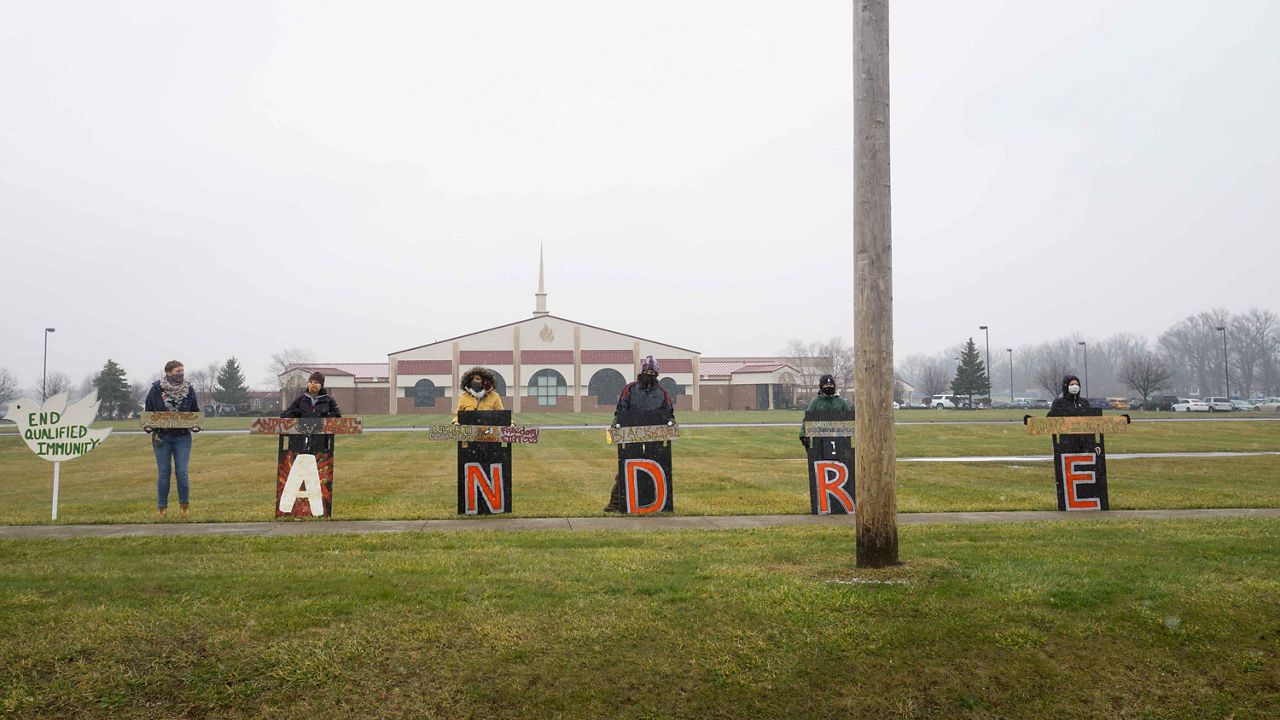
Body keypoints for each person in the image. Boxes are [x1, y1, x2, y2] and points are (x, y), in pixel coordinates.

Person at [603, 355, 675, 513]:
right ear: (642, 371)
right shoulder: (630, 389)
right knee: (625, 468)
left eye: (652, 371)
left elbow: (668, 412)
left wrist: (670, 425)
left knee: (656, 466)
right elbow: (621, 409)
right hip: (631, 435)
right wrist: (616, 425)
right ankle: (615, 503)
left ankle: (652, 500)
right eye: (647, 371)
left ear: (656, 373)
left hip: (654, 437)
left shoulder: (662, 392)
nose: (649, 374)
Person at [144, 360, 201, 519]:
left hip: (182, 436)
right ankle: (162, 508)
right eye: (177, 371)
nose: (180, 374)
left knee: (182, 472)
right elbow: (148, 411)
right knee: (164, 472)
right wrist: (148, 426)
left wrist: (195, 425)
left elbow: (194, 411)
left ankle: (184, 506)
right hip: (162, 436)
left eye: (182, 371)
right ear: (168, 373)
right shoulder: (156, 389)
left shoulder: (189, 389)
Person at [282, 371, 342, 453]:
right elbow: (285, 415)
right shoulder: (301, 399)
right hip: (300, 439)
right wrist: (296, 413)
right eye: (311, 382)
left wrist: (327, 417)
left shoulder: (328, 400)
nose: (313, 384)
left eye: (316, 383)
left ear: (321, 385)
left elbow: (338, 417)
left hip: (321, 440)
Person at [799, 374, 851, 449]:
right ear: (821, 386)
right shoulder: (815, 402)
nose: (828, 387)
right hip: (819, 441)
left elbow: (850, 419)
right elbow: (807, 419)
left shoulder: (842, 402)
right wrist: (803, 435)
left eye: (830, 384)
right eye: (826, 384)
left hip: (840, 440)